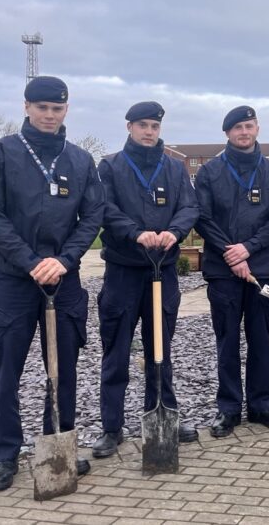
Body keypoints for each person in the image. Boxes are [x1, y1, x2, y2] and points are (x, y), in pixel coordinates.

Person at [0, 76, 104, 491]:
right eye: (42, 107)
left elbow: (92, 218)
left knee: (62, 371)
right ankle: (5, 455)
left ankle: (58, 446)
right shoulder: (1, 153)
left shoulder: (81, 160)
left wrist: (63, 261)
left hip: (63, 282)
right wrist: (31, 262)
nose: (49, 115)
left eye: (57, 108)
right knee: (5, 371)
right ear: (27, 107)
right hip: (14, 281)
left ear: (67, 110)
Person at [92, 101, 200, 458]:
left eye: (154, 126)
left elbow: (189, 206)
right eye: (142, 125)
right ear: (129, 128)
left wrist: (175, 231)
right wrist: (135, 233)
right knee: (117, 352)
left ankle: (163, 414)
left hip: (162, 272)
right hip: (124, 271)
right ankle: (112, 427)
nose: (149, 132)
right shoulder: (111, 166)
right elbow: (103, 208)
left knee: (160, 351)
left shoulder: (174, 167)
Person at [194, 106, 269, 437]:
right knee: (227, 341)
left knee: (261, 340)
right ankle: (229, 409)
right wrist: (231, 255)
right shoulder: (209, 172)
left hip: (262, 273)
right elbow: (203, 218)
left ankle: (261, 405)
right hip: (223, 273)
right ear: (227, 133)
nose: (243, 132)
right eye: (237, 127)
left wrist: (248, 248)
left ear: (257, 128)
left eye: (248, 126)